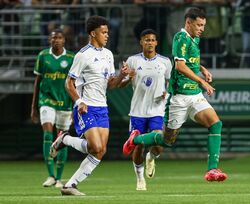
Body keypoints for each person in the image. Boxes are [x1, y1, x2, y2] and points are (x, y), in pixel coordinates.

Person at [123, 7, 228, 182]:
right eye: (199, 25)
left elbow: (189, 62)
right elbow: (179, 66)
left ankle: (212, 170)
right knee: (167, 140)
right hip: (179, 97)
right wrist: (202, 81)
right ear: (188, 22)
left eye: (203, 25)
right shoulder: (180, 38)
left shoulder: (194, 39)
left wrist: (202, 69)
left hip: (194, 95)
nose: (202, 28)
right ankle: (137, 139)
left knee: (215, 124)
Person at [49, 15, 129, 196]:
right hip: (85, 107)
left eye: (108, 32)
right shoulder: (82, 55)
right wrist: (79, 101)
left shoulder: (108, 55)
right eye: (104, 32)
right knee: (95, 145)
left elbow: (110, 84)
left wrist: (122, 76)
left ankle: (70, 185)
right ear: (93, 33)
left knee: (100, 150)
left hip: (102, 107)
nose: (107, 35)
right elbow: (68, 83)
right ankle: (65, 139)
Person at [122, 29, 172, 190]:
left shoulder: (165, 62)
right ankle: (139, 178)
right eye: (146, 40)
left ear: (156, 43)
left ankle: (151, 156)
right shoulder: (132, 61)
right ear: (141, 42)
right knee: (138, 147)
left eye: (152, 40)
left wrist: (167, 93)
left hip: (157, 110)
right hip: (138, 111)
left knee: (159, 141)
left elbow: (172, 82)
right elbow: (121, 84)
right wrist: (128, 77)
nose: (150, 42)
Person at [31, 29, 74, 188]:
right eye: (53, 37)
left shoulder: (71, 58)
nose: (56, 40)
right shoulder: (43, 56)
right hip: (46, 100)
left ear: (64, 40)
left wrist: (75, 105)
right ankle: (50, 175)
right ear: (50, 40)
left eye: (59, 37)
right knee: (48, 134)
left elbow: (75, 83)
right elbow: (38, 80)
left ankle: (59, 178)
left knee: (62, 138)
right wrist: (34, 106)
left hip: (64, 103)